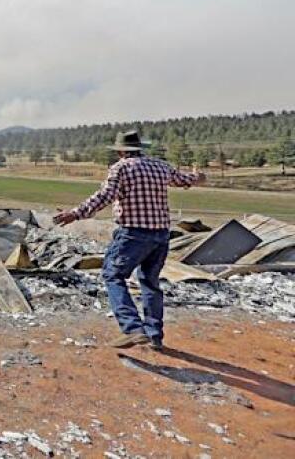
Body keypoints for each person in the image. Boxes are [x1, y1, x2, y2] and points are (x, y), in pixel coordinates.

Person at [53, 130, 206, 350]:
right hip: (161, 234)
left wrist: (75, 213)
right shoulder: (160, 166)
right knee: (150, 282)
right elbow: (186, 180)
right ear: (140, 147)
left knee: (112, 274)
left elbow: (105, 196)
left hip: (133, 233)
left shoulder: (122, 168)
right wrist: (198, 177)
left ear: (121, 150)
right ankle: (154, 335)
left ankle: (133, 328)